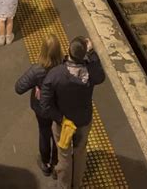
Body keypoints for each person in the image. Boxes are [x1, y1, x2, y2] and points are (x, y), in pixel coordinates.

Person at [40, 36, 105, 189]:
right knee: (80, 152)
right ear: (84, 55)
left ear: (68, 51)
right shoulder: (91, 73)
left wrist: (60, 119)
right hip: (83, 120)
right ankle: (77, 184)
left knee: (64, 156)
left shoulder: (55, 75)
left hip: (64, 123)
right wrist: (92, 53)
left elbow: (45, 104)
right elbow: (100, 75)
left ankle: (64, 186)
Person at [15, 33, 62, 176]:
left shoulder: (37, 70)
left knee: (44, 132)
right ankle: (56, 163)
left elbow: (19, 87)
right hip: (59, 107)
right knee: (58, 135)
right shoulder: (64, 66)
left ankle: (45, 163)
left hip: (41, 108)